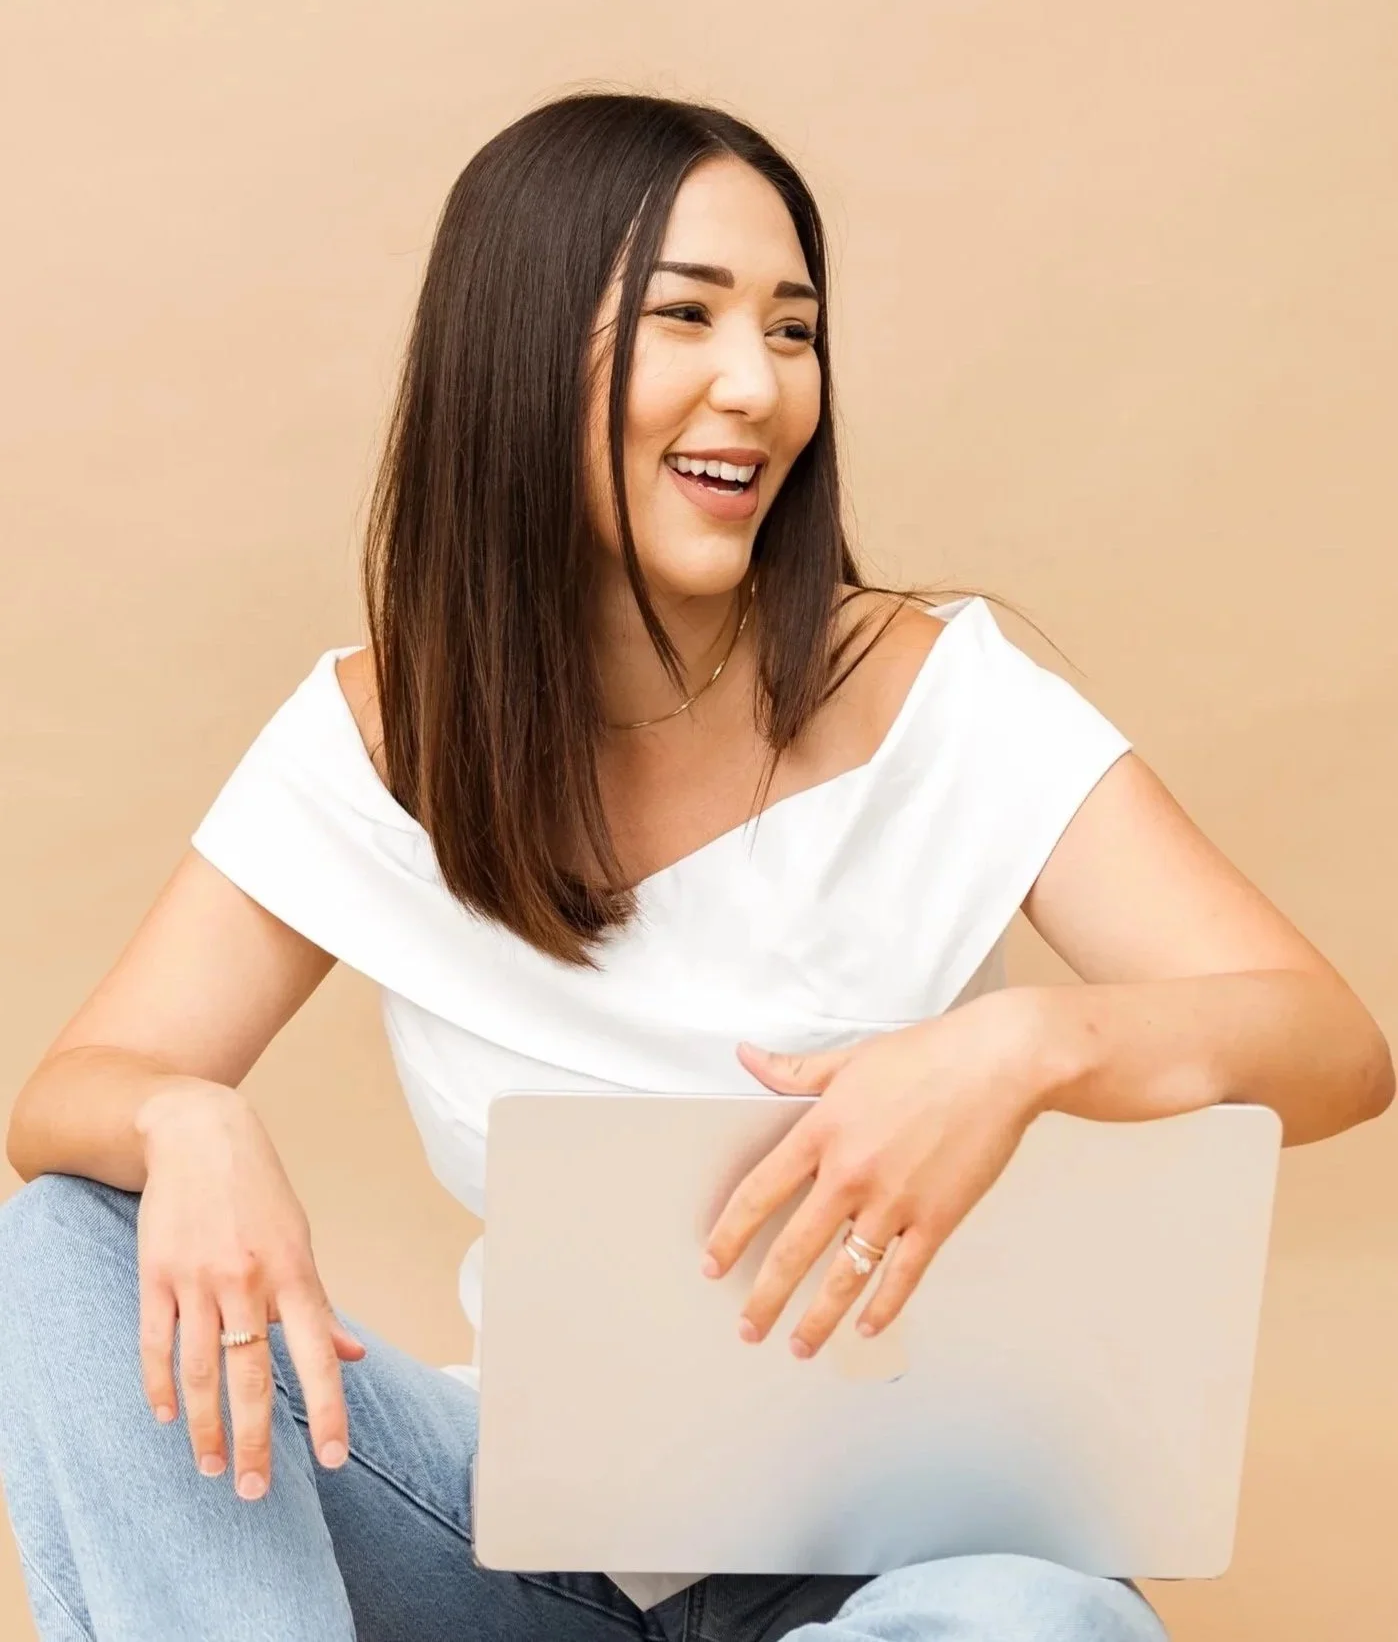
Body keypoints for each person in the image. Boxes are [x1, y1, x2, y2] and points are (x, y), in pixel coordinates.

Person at [0, 91, 1389, 1642]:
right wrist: (185, 1117)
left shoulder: (939, 696)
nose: (757, 387)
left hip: (893, 1553)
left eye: (792, 332)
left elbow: (1329, 1047)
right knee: (63, 1238)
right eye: (688, 319)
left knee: (1034, 1622)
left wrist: (1024, 1044)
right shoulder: (382, 733)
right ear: (521, 356)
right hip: (508, 1537)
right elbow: (71, 1090)